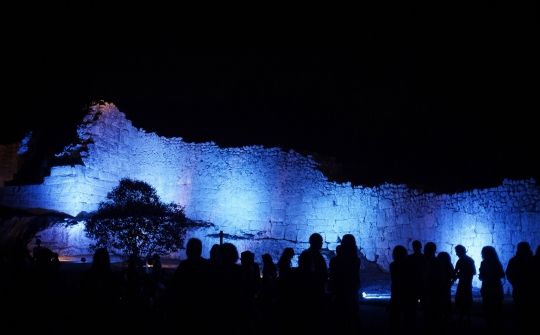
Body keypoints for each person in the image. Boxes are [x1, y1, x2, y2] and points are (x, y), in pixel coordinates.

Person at [454, 244, 476, 324]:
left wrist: (458, 275)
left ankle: (462, 318)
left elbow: (455, 272)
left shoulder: (460, 261)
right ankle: (467, 318)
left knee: (462, 300)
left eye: (457, 252)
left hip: (464, 284)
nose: (456, 254)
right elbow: (473, 272)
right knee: (466, 301)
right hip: (467, 284)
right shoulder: (469, 260)